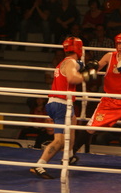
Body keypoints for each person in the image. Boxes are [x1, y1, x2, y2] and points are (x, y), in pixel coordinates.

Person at [31, 37, 97, 179]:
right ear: (79, 49)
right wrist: (87, 75)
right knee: (59, 140)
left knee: (73, 122)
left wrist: (84, 68)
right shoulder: (70, 62)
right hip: (61, 104)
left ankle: (69, 155)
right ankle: (40, 165)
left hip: (61, 103)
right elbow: (72, 79)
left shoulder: (65, 62)